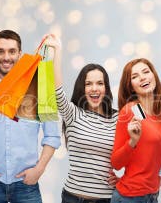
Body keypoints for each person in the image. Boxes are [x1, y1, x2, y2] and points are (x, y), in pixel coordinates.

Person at [0, 29, 61, 202]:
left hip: (26, 185)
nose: (6, 57)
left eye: (12, 51)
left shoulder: (40, 88)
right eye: (1, 51)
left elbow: (52, 136)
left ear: (20, 54)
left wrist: (39, 169)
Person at [46, 34, 119, 203]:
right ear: (82, 87)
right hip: (72, 198)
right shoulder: (73, 113)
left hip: (106, 199)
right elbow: (57, 90)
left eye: (100, 83)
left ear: (106, 87)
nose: (94, 88)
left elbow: (132, 153)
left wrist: (123, 177)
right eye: (88, 84)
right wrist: (58, 50)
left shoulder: (118, 118)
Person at [111, 58, 161, 203]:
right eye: (135, 76)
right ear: (131, 86)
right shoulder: (130, 111)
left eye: (146, 72)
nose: (142, 77)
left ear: (154, 76)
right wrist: (133, 141)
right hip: (129, 197)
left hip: (153, 195)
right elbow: (116, 163)